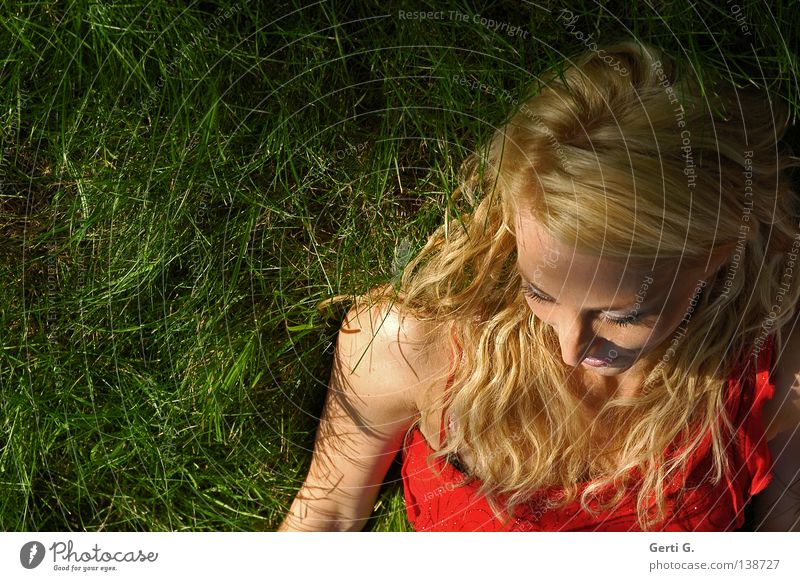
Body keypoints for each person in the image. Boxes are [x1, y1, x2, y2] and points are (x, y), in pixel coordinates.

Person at [278, 40, 800, 532]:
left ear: (715, 257)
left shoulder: (770, 350)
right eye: (541, 293)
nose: (571, 349)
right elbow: (330, 513)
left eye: (621, 314)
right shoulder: (409, 346)